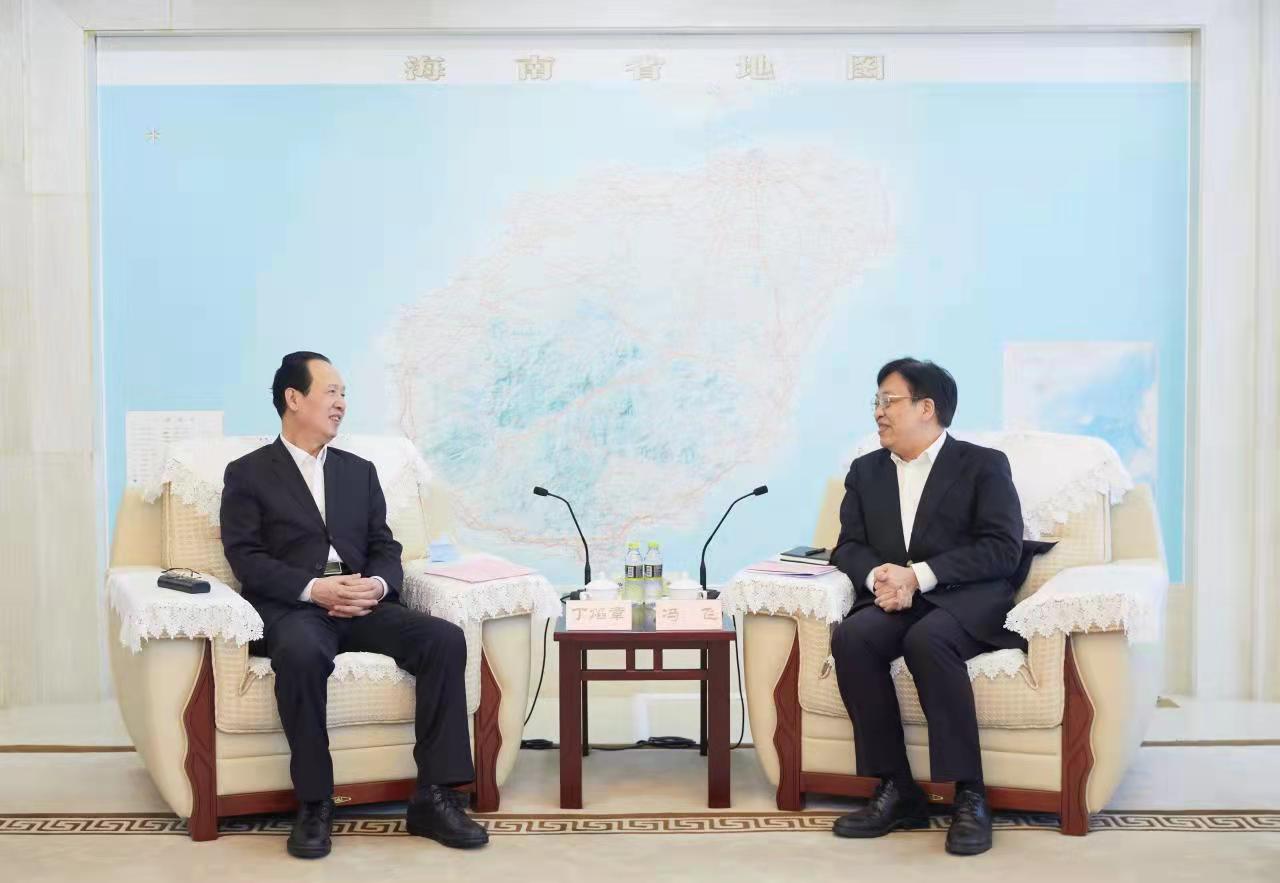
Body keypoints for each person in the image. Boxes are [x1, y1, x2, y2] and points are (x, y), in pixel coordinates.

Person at [220, 351, 488, 858]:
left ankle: (435, 797)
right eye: (331, 392)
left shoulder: (359, 472)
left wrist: (379, 586)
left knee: (443, 639)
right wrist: (312, 589)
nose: (341, 403)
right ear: (293, 398)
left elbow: (384, 545)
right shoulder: (248, 473)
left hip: (364, 603)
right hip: (297, 609)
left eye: (344, 394)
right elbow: (245, 558)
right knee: (300, 652)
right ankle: (314, 803)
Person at [828, 358, 1024, 856]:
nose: (878, 412)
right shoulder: (866, 471)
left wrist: (919, 576)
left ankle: (969, 794)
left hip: (967, 597)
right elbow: (848, 546)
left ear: (926, 408)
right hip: (897, 598)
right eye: (876, 402)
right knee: (853, 637)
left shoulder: (982, 464)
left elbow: (1002, 549)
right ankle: (897, 789)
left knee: (927, 639)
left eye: (888, 401)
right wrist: (880, 577)